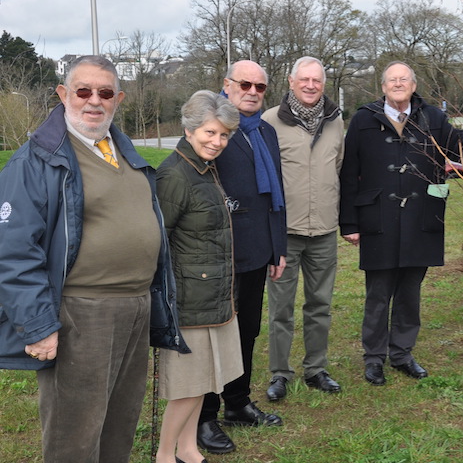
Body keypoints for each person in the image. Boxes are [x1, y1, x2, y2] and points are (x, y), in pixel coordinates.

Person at [0, 55, 186, 463]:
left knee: (120, 424)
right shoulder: (37, 161)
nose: (93, 101)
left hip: (137, 307)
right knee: (75, 433)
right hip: (81, 314)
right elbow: (13, 253)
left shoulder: (125, 151)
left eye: (104, 93)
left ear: (118, 99)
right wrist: (37, 326)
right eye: (83, 91)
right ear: (64, 94)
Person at [340, 61, 463, 386]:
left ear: (413, 86)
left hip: (420, 216)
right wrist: (348, 223)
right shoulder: (363, 120)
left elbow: (460, 145)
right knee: (378, 293)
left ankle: (402, 353)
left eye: (404, 80)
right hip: (378, 219)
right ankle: (374, 358)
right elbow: (348, 174)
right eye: (392, 80)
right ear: (383, 87)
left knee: (410, 292)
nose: (398, 84)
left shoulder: (433, 118)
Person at [197, 60, 287, 454]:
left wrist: (277, 247)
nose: (252, 91)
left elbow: (275, 196)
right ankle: (203, 416)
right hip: (219, 253)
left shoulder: (265, 130)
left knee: (246, 330)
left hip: (257, 250)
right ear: (227, 84)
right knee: (213, 337)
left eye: (260, 87)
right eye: (245, 84)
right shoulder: (212, 128)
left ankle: (237, 402)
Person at [155, 91, 243, 463]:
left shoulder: (204, 169)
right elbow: (158, 242)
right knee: (188, 388)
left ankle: (188, 449)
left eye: (224, 135)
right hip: (189, 301)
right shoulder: (174, 174)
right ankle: (163, 456)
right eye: (210, 132)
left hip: (215, 297)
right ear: (189, 129)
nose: (217, 142)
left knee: (207, 382)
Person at [262, 57, 345, 398]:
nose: (311, 85)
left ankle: (317, 368)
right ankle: (280, 373)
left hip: (324, 229)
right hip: (285, 233)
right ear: (291, 81)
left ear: (324, 84)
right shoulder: (269, 122)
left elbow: (338, 166)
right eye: (304, 79)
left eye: (317, 80)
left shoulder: (337, 121)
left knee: (320, 304)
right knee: (281, 308)